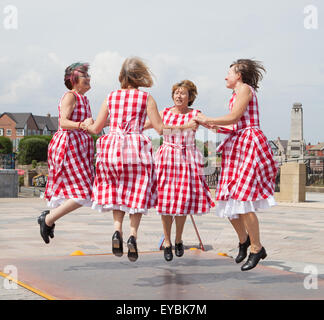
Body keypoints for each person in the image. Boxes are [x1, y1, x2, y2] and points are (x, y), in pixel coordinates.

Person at [195, 59, 278, 271]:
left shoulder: (245, 89)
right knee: (227, 197)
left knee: (244, 197)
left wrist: (208, 118)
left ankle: (256, 247)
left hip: (248, 143)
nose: (226, 77)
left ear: (238, 75)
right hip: (236, 145)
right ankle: (244, 240)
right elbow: (233, 124)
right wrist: (210, 125)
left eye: (229, 73)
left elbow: (234, 117)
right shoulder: (235, 94)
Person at [144, 80, 215, 262]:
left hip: (187, 157)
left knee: (182, 201)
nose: (178, 96)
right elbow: (148, 126)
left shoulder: (195, 114)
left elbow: (212, 125)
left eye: (183, 93)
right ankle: (167, 241)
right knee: (166, 201)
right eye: (176, 92)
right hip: (167, 156)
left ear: (190, 96)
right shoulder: (164, 113)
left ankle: (178, 239)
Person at [38, 62, 95, 244]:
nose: (88, 78)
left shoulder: (83, 98)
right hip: (68, 146)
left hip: (79, 147)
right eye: (84, 75)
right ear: (74, 81)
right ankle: (47, 219)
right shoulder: (71, 96)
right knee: (83, 192)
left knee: (84, 190)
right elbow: (62, 122)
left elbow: (90, 126)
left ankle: (49, 218)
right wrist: (81, 125)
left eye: (88, 75)